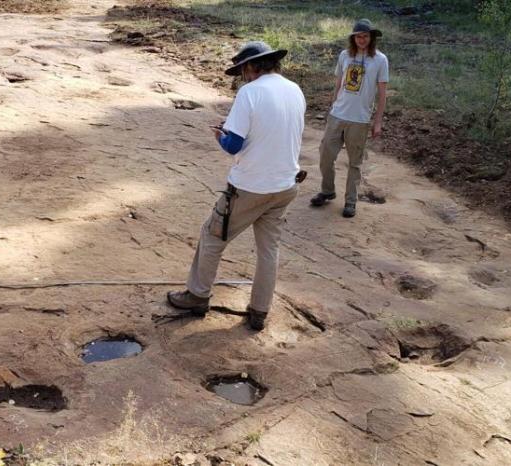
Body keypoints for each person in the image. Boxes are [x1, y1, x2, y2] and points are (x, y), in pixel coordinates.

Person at [166, 41, 306, 331]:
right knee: (269, 250)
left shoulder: (249, 93)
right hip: (286, 185)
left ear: (252, 67)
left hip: (251, 186)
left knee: (212, 236)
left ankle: (197, 295)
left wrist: (220, 135)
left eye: (243, 69)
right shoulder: (294, 90)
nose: (242, 75)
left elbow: (234, 145)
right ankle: (259, 312)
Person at [310, 18, 389, 218]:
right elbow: (339, 83)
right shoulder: (344, 55)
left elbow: (382, 94)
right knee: (325, 154)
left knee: (355, 162)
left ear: (371, 39)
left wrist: (377, 121)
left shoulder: (380, 60)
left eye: (365, 36)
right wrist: (332, 105)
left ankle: (350, 201)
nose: (362, 40)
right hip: (338, 114)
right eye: (358, 37)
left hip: (360, 119)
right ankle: (327, 190)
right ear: (353, 38)